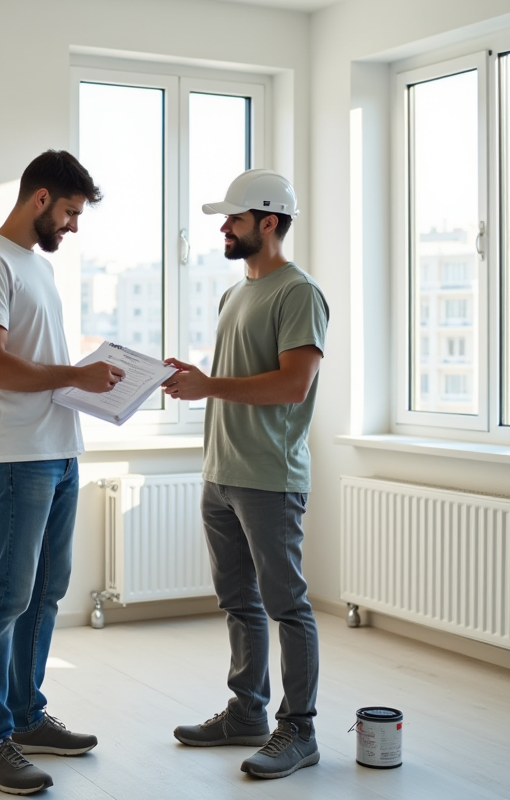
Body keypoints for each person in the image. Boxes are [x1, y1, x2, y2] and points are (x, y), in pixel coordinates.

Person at [0, 149, 125, 795]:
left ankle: (26, 717)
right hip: (16, 456)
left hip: (59, 450)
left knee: (47, 592)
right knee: (6, 598)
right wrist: (75, 373)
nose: (74, 226)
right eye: (71, 213)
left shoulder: (38, 266)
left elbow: (39, 362)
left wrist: (93, 380)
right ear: (41, 198)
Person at [163, 169, 329, 780]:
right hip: (222, 471)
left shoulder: (299, 293)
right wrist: (196, 378)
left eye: (233, 218)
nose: (224, 229)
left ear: (269, 221)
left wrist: (209, 386)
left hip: (269, 477)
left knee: (287, 605)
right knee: (239, 601)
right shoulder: (235, 294)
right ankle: (247, 713)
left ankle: (300, 730)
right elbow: (237, 375)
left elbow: (293, 384)